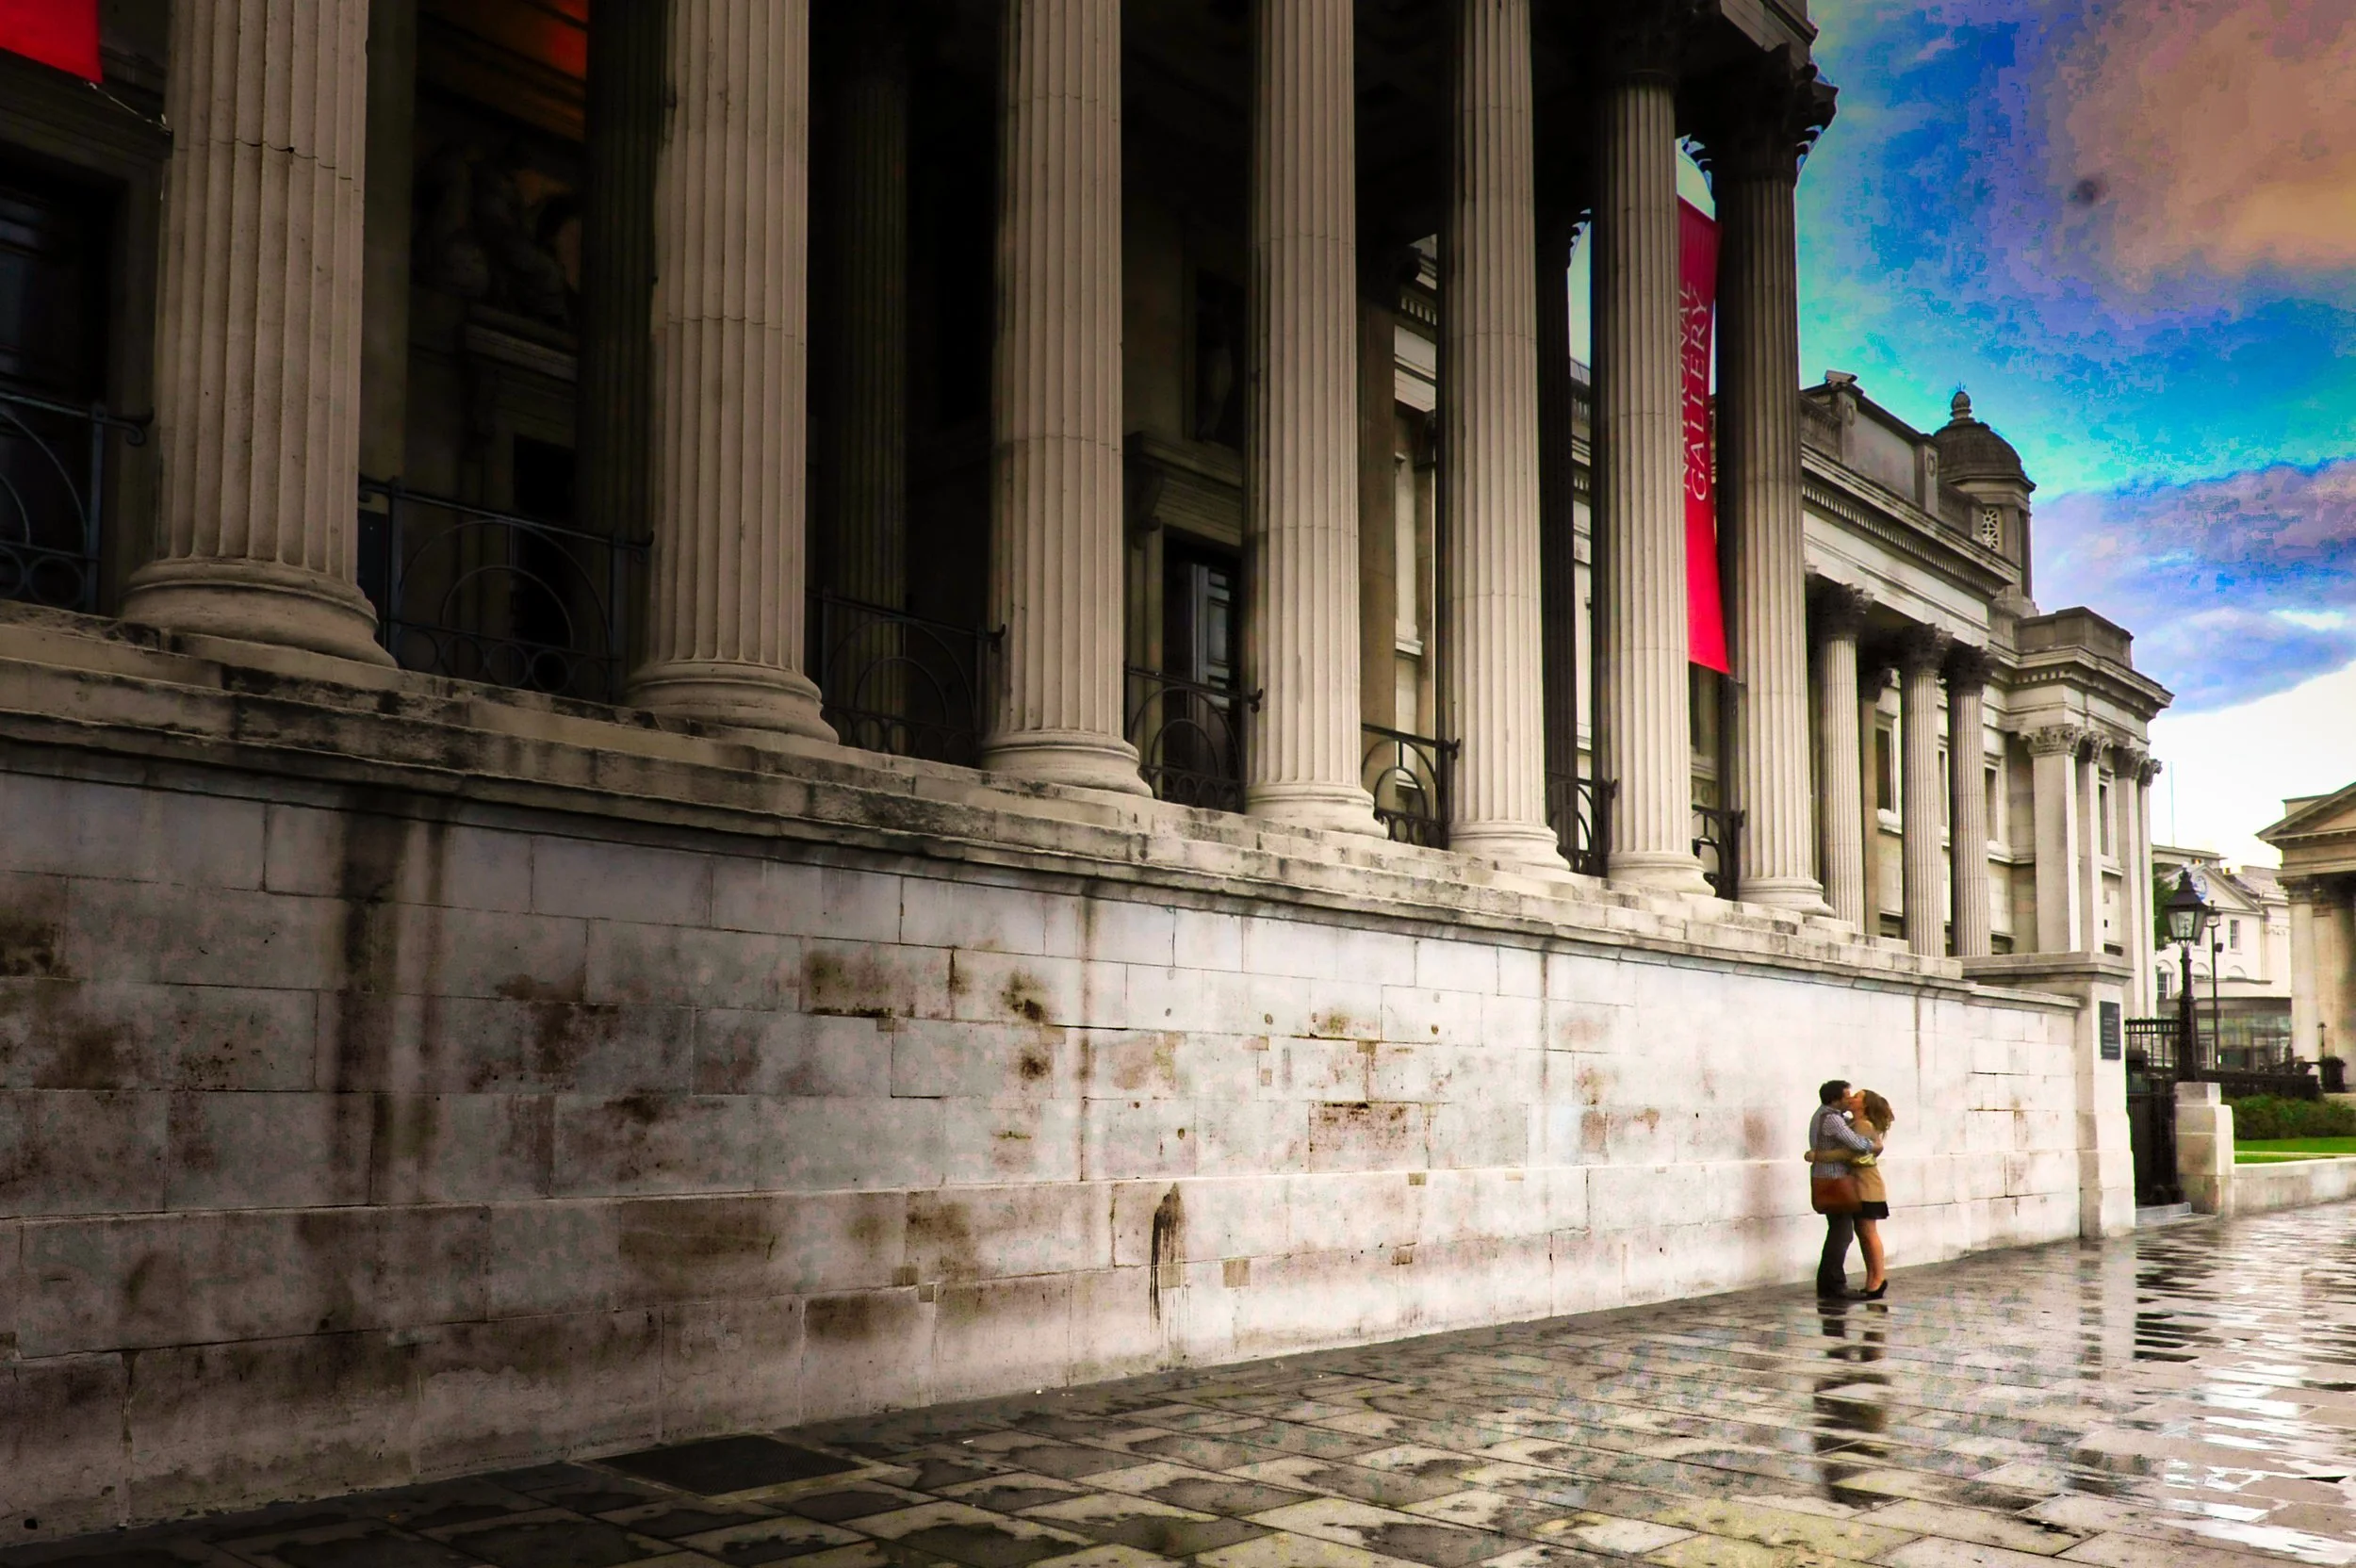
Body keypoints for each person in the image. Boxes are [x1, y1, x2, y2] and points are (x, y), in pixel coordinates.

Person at [1809, 1079, 1876, 1298]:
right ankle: (1833, 1285)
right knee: (1841, 1234)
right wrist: (1873, 1146)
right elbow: (1857, 1144)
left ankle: (1830, 1283)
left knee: (1838, 1232)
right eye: (1846, 1096)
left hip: (1828, 1180)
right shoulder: (1832, 1120)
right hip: (1834, 1181)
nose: (1849, 1100)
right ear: (1835, 1099)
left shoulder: (1829, 1116)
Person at [1851, 1090, 1895, 1299]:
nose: (1852, 1098)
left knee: (1868, 1233)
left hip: (1866, 1185)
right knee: (1864, 1233)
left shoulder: (1863, 1126)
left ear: (1865, 1105)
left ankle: (1877, 1279)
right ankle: (1873, 1279)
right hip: (1864, 1185)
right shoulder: (1858, 1124)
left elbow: (1857, 1154)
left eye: (1857, 1097)